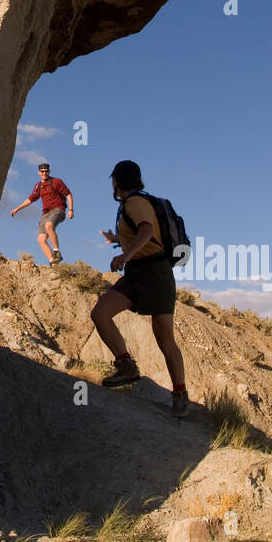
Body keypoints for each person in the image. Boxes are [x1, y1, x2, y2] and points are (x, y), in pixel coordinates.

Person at [92, 159, 189, 418]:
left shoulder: (135, 202)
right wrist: (117, 241)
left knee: (164, 336)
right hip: (137, 272)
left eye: (113, 179)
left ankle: (180, 394)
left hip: (155, 272)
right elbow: (140, 233)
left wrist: (126, 255)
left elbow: (146, 231)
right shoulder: (130, 205)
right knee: (100, 313)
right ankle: (126, 366)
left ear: (117, 181)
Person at [10, 163, 73, 264]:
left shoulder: (56, 181)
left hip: (58, 210)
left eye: (46, 171)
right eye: (42, 171)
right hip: (45, 214)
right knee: (41, 239)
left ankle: (56, 252)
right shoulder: (38, 186)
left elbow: (68, 194)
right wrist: (18, 208)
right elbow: (31, 199)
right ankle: (53, 262)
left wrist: (70, 209)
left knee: (49, 225)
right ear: (39, 173)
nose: (44, 173)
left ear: (49, 172)